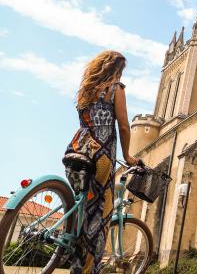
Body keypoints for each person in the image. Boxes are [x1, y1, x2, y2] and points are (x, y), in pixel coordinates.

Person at [63, 50, 139, 274]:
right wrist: (127, 156)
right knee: (100, 213)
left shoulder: (86, 89)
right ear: (116, 69)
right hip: (101, 155)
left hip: (77, 149)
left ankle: (74, 262)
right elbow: (124, 126)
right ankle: (88, 270)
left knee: (82, 209)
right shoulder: (116, 89)